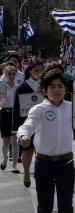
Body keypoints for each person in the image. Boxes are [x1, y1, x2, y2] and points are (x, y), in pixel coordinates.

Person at [17, 69, 75, 213]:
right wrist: (24, 137)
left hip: (66, 163)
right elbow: (26, 126)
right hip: (44, 163)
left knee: (65, 205)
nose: (57, 90)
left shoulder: (73, 107)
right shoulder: (39, 109)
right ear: (44, 90)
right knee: (44, 207)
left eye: (60, 86)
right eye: (52, 87)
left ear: (66, 89)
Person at [13, 59, 44, 188]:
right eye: (36, 70)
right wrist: (16, 128)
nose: (39, 73)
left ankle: (41, 176)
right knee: (27, 152)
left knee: (41, 153)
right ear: (30, 71)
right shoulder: (22, 87)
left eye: (41, 71)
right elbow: (17, 108)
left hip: (43, 124)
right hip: (27, 124)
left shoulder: (46, 86)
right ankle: (26, 173)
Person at [1, 63, 20, 172]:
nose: (11, 76)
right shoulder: (2, 86)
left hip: (15, 114)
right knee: (5, 141)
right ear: (5, 74)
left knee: (15, 141)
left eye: (13, 74)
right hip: (4, 113)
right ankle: (5, 158)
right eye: (9, 74)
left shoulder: (18, 87)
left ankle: (14, 165)